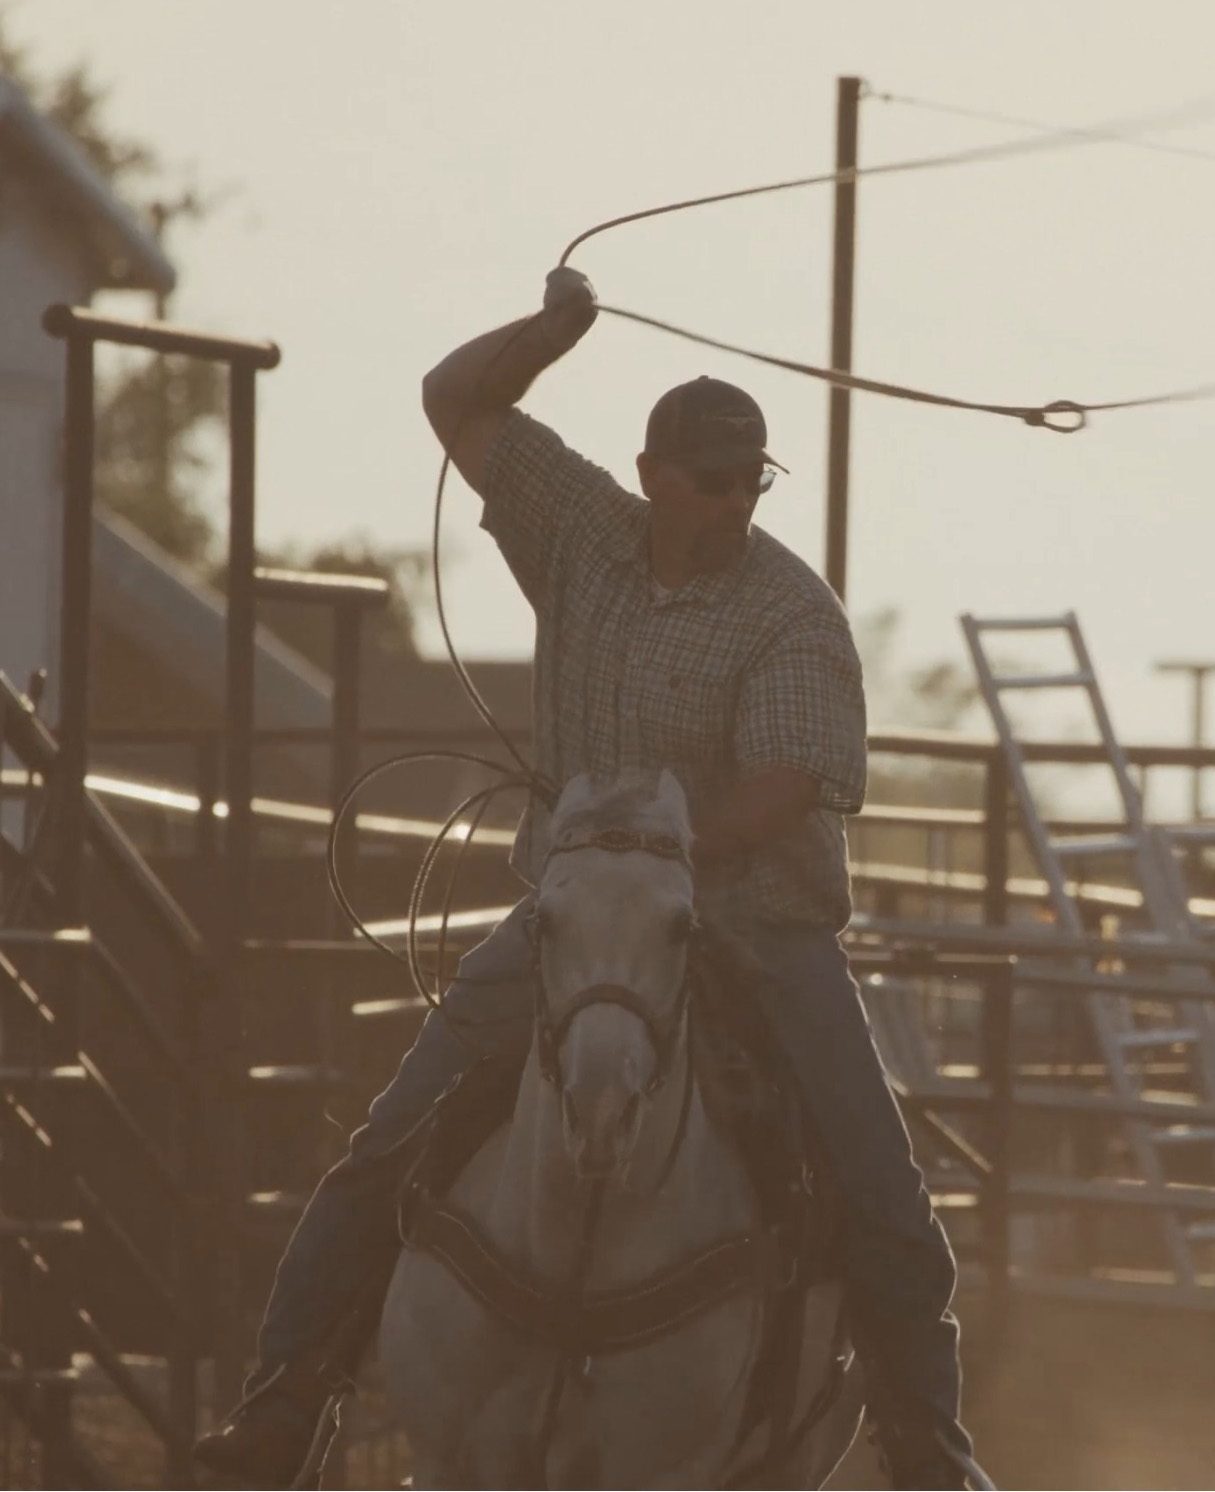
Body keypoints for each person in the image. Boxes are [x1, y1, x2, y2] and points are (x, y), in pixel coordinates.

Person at [193, 268, 984, 1489]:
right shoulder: (576, 526)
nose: (733, 502)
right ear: (656, 471)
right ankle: (288, 1400)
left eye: (751, 481)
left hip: (759, 924)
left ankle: (930, 1448)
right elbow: (454, 396)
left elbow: (787, 777)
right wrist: (551, 335)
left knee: (879, 1180)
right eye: (713, 478)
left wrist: (667, 846)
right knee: (390, 1141)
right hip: (573, 916)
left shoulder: (791, 609)